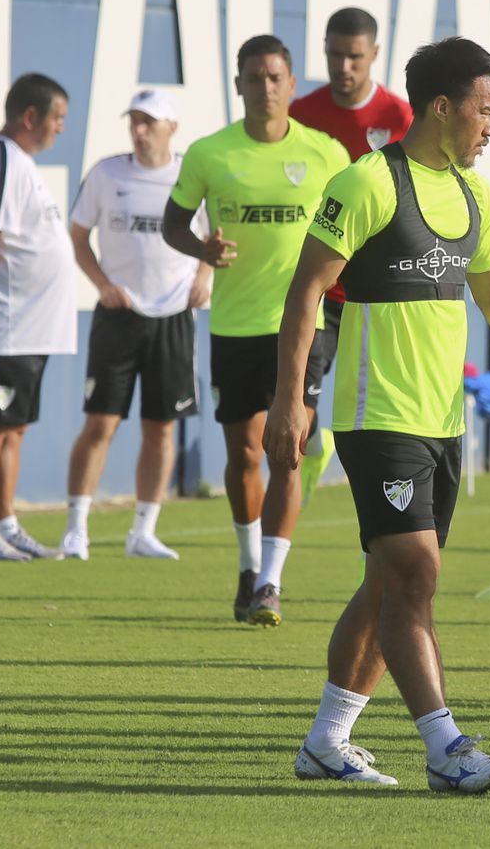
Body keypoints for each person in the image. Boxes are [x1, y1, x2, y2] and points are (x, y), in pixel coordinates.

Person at [264, 36, 490, 791]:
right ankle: (446, 748)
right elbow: (306, 293)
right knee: (413, 575)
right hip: (378, 417)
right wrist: (288, 400)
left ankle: (326, 744)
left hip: (443, 424)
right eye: (484, 109)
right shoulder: (365, 183)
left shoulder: (475, 194)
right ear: (442, 106)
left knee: (390, 585)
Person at [163, 36, 350, 624]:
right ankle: (247, 568)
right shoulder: (208, 153)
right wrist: (202, 248)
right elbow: (172, 224)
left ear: (292, 84)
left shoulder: (326, 155)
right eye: (254, 77)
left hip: (303, 327)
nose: (265, 88)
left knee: (288, 451)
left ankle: (271, 581)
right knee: (243, 454)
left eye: (275, 77)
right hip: (235, 326)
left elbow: (356, 231)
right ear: (238, 84)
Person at [60, 89, 212, 560]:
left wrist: (205, 274)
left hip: (173, 318)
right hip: (119, 316)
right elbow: (78, 235)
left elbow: (214, 233)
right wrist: (102, 283)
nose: (140, 130)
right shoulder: (107, 174)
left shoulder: (192, 174)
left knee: (161, 428)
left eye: (149, 122)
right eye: (135, 121)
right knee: (100, 424)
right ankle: (76, 530)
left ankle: (143, 531)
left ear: (171, 128)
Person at [289, 8, 414, 495]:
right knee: (303, 399)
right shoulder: (303, 114)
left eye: (355, 57)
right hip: (323, 288)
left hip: (378, 290)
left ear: (375, 56)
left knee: (384, 407)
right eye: (335, 54)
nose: (344, 66)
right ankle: (304, 466)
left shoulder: (399, 117)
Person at [0, 74, 75, 560]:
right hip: (4, 324)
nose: (61, 129)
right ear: (30, 117)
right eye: (57, 118)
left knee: (15, 424)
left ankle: (5, 521)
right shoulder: (2, 158)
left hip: (32, 326)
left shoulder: (21, 163)